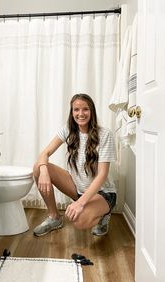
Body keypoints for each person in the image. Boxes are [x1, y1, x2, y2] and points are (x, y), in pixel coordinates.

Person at [32, 93, 117, 237]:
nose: (81, 114)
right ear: (72, 113)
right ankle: (54, 217)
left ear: (92, 111)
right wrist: (44, 171)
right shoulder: (68, 130)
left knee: (78, 221)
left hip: (102, 193)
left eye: (85, 109)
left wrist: (80, 204)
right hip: (78, 189)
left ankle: (104, 215)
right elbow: (44, 153)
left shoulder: (105, 134)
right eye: (76, 110)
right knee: (38, 167)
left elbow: (102, 175)